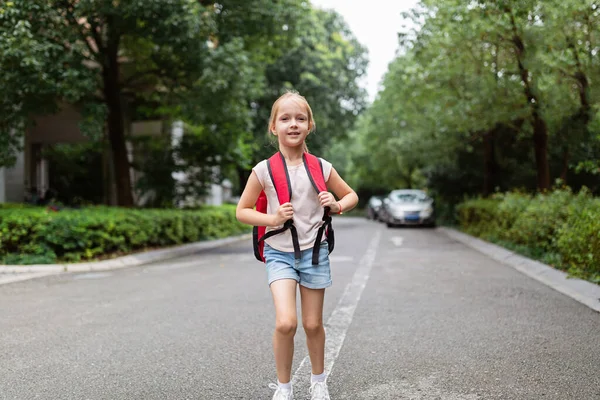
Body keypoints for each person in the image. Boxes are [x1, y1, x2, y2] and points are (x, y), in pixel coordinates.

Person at [236, 91, 358, 400]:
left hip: (314, 253)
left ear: (310, 125)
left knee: (313, 323)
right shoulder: (263, 170)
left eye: (300, 119)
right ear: (273, 127)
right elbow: (242, 211)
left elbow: (351, 195)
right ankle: (284, 387)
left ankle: (318, 381)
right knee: (287, 322)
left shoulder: (321, 167)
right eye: (285, 119)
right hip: (279, 253)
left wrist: (337, 204)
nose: (293, 124)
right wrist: (273, 217)